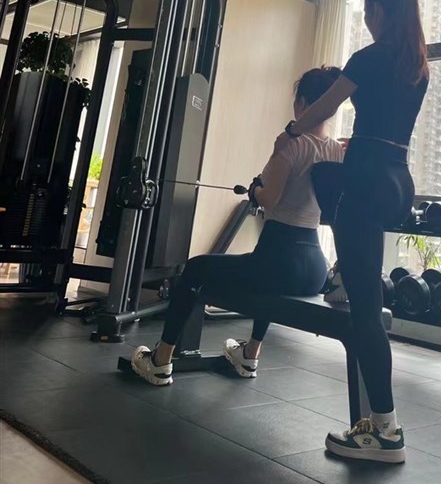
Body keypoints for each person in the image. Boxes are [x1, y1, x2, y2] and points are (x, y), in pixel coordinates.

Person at [274, 0, 429, 464]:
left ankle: (385, 430)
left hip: (364, 180)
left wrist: (292, 129)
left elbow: (325, 106)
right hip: (398, 180)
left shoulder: (368, 57)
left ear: (379, 11)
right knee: (327, 173)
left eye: (367, 12)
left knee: (365, 312)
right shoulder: (416, 65)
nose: (365, 19)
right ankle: (346, 269)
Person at [130, 66, 344, 385]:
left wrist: (255, 189)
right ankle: (249, 354)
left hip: (279, 261)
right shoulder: (336, 150)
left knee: (194, 269)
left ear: (301, 103)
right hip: (314, 269)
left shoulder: (292, 144)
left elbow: (269, 199)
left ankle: (160, 360)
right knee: (267, 281)